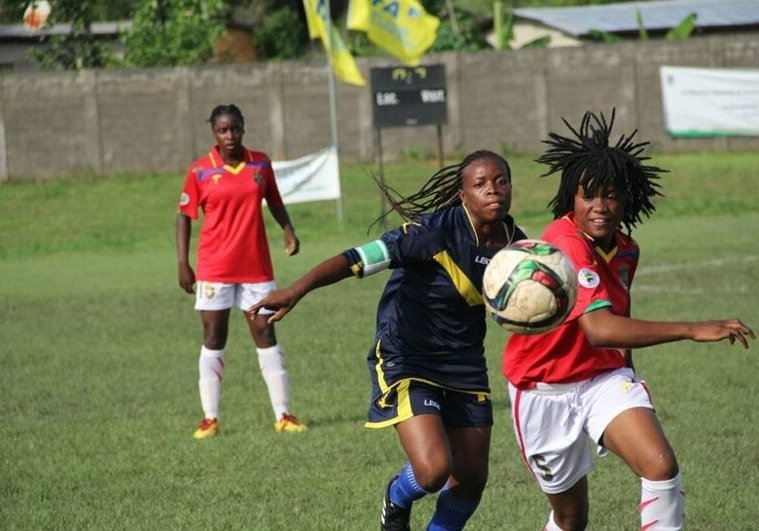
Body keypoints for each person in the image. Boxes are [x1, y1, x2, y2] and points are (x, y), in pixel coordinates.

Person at [501, 110, 755, 531]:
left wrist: (629, 376)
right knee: (571, 519)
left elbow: (618, 318)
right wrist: (693, 329)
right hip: (542, 390)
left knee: (660, 466)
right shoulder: (564, 242)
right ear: (571, 199)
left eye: (611, 196)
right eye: (588, 196)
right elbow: (599, 329)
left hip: (602, 380)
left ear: (626, 199)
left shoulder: (626, 249)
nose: (600, 207)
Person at [250, 150, 527, 530]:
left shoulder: (517, 248)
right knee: (433, 471)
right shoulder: (430, 233)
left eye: (500, 181)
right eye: (480, 184)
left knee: (471, 481)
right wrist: (296, 290)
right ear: (462, 194)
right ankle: (397, 496)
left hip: (465, 363)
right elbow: (356, 258)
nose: (492, 190)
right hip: (408, 356)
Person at [176, 103, 306, 439]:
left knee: (266, 333)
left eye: (235, 128)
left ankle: (283, 414)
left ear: (243, 128)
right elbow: (184, 216)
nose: (230, 135)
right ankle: (210, 418)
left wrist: (288, 230)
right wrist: (183, 263)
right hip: (214, 268)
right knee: (213, 337)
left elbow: (274, 200)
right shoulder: (200, 170)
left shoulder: (260, 163)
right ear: (214, 133)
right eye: (223, 130)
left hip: (255, 268)